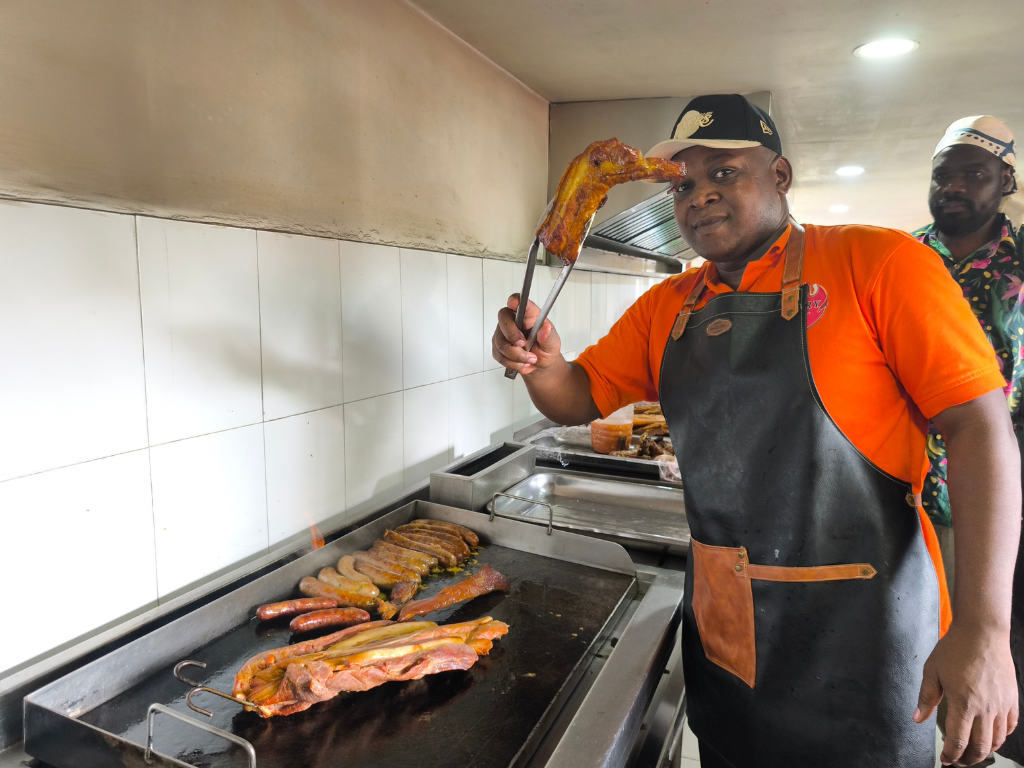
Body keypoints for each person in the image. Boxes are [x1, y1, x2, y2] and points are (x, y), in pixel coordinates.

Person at [492, 94, 1020, 767]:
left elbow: (978, 428)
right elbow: (577, 396)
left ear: (780, 175)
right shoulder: (668, 307)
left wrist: (984, 628)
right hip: (729, 635)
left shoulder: (878, 263)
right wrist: (541, 363)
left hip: (865, 633)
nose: (700, 196)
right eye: (683, 185)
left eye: (724, 173)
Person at [913, 115, 1024, 766]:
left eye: (972, 174)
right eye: (943, 175)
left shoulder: (1021, 263)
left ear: (1005, 180)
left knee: (985, 651)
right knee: (904, 647)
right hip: (899, 488)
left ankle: (974, 753)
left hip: (992, 492)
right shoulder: (902, 258)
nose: (953, 186)